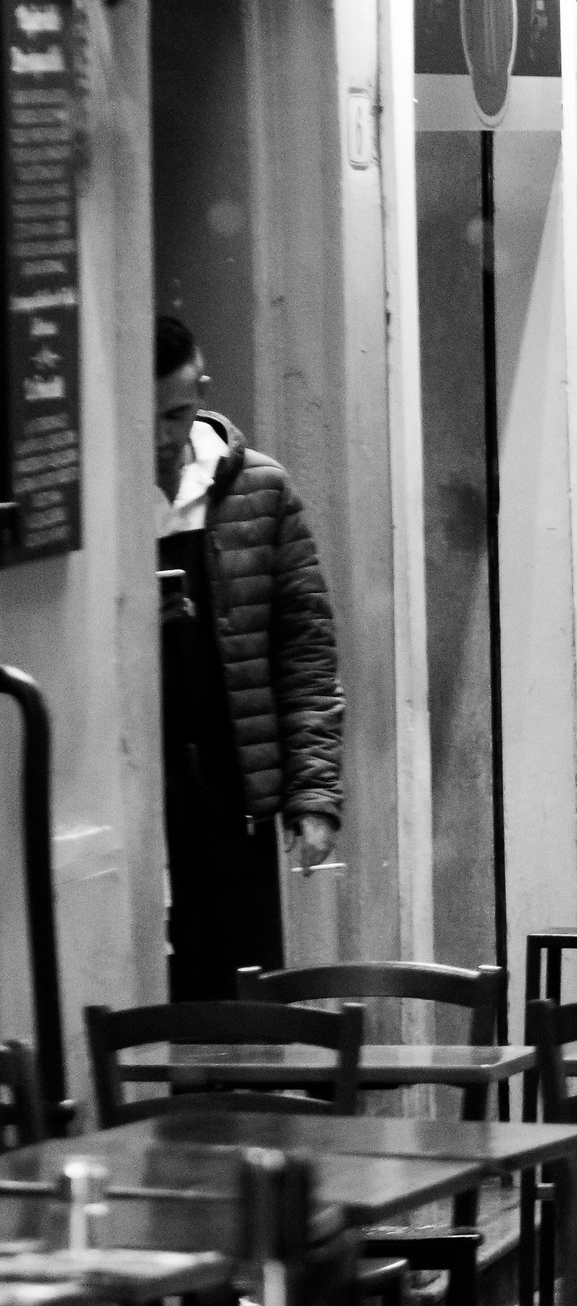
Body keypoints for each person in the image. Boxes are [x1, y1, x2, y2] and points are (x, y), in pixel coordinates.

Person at [154, 316, 343, 1001]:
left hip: (235, 797)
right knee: (161, 1006)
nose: (161, 437)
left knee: (247, 1003)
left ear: (200, 393)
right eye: (144, 419)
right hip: (146, 796)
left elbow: (306, 651)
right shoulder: (107, 504)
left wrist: (313, 794)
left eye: (175, 414)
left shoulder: (258, 491)